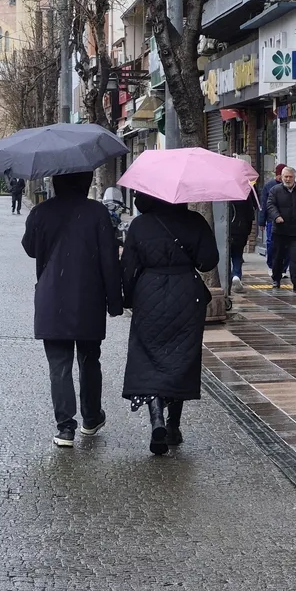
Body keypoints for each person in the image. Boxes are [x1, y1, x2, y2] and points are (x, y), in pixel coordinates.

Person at [22, 171, 123, 447]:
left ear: (55, 181)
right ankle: (91, 418)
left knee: (59, 364)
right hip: (88, 298)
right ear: (86, 181)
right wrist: (115, 301)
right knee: (90, 360)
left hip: (51, 297)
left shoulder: (41, 212)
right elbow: (109, 261)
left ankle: (65, 427)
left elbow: (29, 248)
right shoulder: (98, 214)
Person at [121, 192, 219, 455]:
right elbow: (209, 261)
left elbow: (127, 267)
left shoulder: (140, 225)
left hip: (149, 294)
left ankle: (157, 420)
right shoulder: (194, 221)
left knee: (149, 357)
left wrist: (129, 299)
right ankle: (174, 427)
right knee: (180, 359)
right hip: (186, 295)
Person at [266, 166, 296, 292]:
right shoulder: (275, 190)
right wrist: (276, 216)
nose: (288, 179)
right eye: (286, 176)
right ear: (281, 177)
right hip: (280, 230)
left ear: (294, 177)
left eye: (290, 177)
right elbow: (270, 205)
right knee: (278, 256)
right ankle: (276, 278)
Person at [258, 163, 287, 277]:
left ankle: (283, 268)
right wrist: (261, 220)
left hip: (286, 221)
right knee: (271, 243)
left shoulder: (290, 186)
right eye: (281, 175)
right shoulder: (269, 186)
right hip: (271, 220)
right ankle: (271, 266)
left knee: (286, 246)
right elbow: (264, 204)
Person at [228, 192, 257, 293]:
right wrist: (247, 232)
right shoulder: (244, 195)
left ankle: (227, 279)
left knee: (225, 256)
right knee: (237, 255)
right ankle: (236, 275)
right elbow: (250, 215)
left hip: (226, 230)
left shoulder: (222, 194)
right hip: (240, 231)